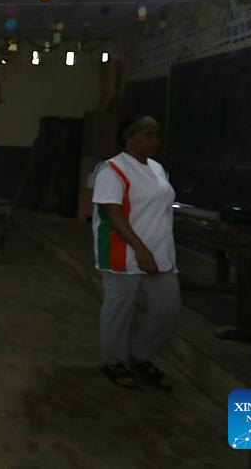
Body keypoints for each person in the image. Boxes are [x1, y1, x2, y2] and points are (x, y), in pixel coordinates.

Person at [91, 115, 180, 389]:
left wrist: (153, 249)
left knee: (167, 309)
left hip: (160, 254)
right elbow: (112, 211)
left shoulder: (158, 169)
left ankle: (140, 356)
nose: (155, 141)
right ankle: (114, 361)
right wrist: (140, 249)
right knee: (119, 311)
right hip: (123, 253)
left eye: (157, 136)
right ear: (129, 137)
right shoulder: (112, 169)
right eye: (147, 135)